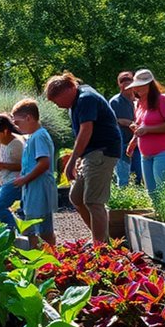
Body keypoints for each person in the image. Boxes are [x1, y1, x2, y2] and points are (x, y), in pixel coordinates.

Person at [45, 72, 122, 244]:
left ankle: (100, 247)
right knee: (77, 197)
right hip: (92, 153)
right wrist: (80, 156)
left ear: (67, 90)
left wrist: (72, 160)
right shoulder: (78, 100)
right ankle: (101, 240)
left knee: (94, 202)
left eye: (57, 100)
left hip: (103, 151)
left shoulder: (86, 98)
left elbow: (86, 130)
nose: (57, 105)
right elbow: (82, 133)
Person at [125, 69, 165, 199]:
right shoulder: (139, 103)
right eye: (136, 86)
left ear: (149, 84)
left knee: (162, 190)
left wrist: (148, 129)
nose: (136, 88)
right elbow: (141, 127)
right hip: (146, 154)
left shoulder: (163, 100)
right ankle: (157, 217)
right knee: (151, 192)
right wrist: (133, 142)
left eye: (140, 85)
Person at [10, 100, 56, 247]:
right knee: (37, 228)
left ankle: (44, 259)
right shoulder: (32, 136)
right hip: (34, 188)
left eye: (18, 122)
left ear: (29, 118)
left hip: (39, 188)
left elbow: (44, 163)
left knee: (39, 228)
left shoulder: (39, 136)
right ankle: (42, 259)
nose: (16, 126)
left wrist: (25, 179)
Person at [0, 114, 25, 232]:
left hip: (15, 181)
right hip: (5, 179)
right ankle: (12, 231)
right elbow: (5, 158)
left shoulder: (17, 144)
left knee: (0, 208)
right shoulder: (1, 141)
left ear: (5, 131)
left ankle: (16, 232)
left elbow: (22, 166)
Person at [110, 71, 142, 187]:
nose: (127, 87)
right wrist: (130, 123)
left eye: (129, 84)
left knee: (139, 175)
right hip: (123, 143)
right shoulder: (115, 102)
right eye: (124, 85)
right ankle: (122, 202)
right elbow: (114, 121)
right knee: (123, 178)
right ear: (120, 85)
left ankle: (139, 201)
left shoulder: (138, 100)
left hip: (138, 142)